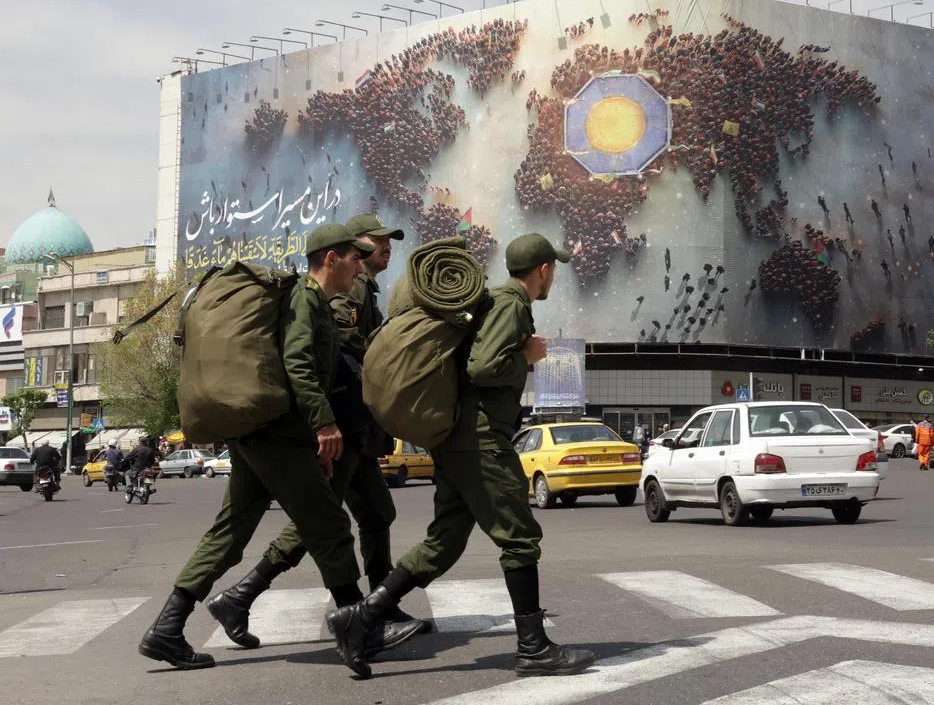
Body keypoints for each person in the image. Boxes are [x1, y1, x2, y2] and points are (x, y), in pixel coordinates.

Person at [138, 224, 420, 678]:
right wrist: (324, 423)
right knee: (328, 524)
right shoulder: (306, 299)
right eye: (354, 257)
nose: (359, 264)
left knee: (230, 532)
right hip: (278, 436)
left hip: (257, 435)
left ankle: (167, 628)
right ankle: (357, 627)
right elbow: (299, 364)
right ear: (331, 259)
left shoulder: (310, 300)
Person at [326, 232, 596, 677]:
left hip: (458, 439)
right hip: (481, 440)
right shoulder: (511, 304)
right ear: (543, 270)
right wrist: (527, 356)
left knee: (443, 544)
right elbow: (483, 367)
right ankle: (533, 647)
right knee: (519, 537)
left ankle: (359, 619)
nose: (553, 278)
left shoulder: (496, 301)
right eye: (553, 270)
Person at [206, 214, 430, 654]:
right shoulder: (351, 288)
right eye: (374, 243)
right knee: (321, 522)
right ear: (348, 250)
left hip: (355, 425)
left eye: (388, 242)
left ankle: (377, 605)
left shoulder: (365, 287)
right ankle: (248, 596)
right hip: (339, 423)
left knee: (376, 512)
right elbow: (337, 351)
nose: (384, 248)